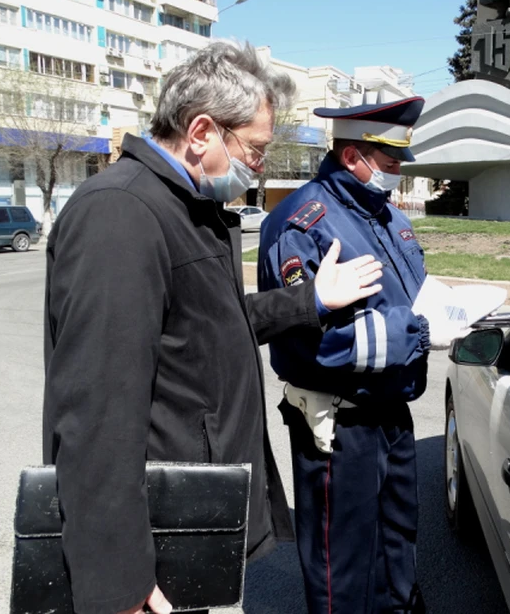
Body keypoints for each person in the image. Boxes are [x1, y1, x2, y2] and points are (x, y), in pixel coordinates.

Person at [42, 42, 385, 614]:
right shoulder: (122, 213)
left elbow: (211, 326)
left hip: (182, 514)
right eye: (253, 150)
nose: (258, 168)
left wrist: (311, 300)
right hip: (145, 537)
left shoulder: (184, 207)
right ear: (203, 131)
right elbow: (96, 408)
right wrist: (116, 582)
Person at [257, 95, 461, 613]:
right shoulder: (303, 224)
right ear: (354, 157)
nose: (396, 175)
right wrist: (416, 333)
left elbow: (411, 294)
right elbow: (311, 344)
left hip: (393, 412)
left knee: (397, 547)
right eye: (390, 165)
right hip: (340, 427)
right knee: (340, 569)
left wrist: (452, 312)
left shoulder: (389, 218)